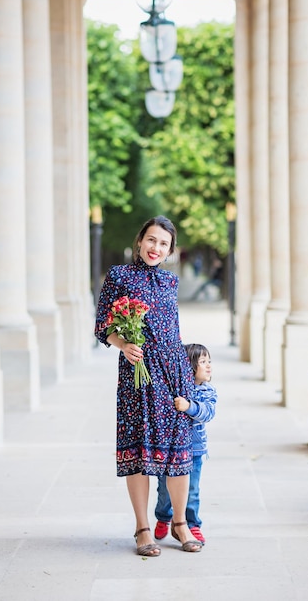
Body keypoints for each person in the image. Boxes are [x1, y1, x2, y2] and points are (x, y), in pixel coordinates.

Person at [94, 216, 203, 557]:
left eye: (164, 244)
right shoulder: (119, 277)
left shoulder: (170, 282)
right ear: (140, 240)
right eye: (152, 240)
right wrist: (123, 344)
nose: (156, 248)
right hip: (137, 373)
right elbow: (101, 326)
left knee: (179, 452)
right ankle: (143, 528)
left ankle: (180, 523)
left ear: (170, 250)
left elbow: (174, 333)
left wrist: (190, 376)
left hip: (174, 374)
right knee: (139, 452)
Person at [154, 343, 217, 545]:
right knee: (165, 490)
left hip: (195, 451)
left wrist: (189, 406)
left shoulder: (207, 391)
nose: (209, 366)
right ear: (189, 366)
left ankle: (192, 524)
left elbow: (207, 413)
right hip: (171, 450)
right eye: (203, 362)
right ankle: (164, 517)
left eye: (209, 361)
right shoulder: (178, 389)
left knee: (192, 490)